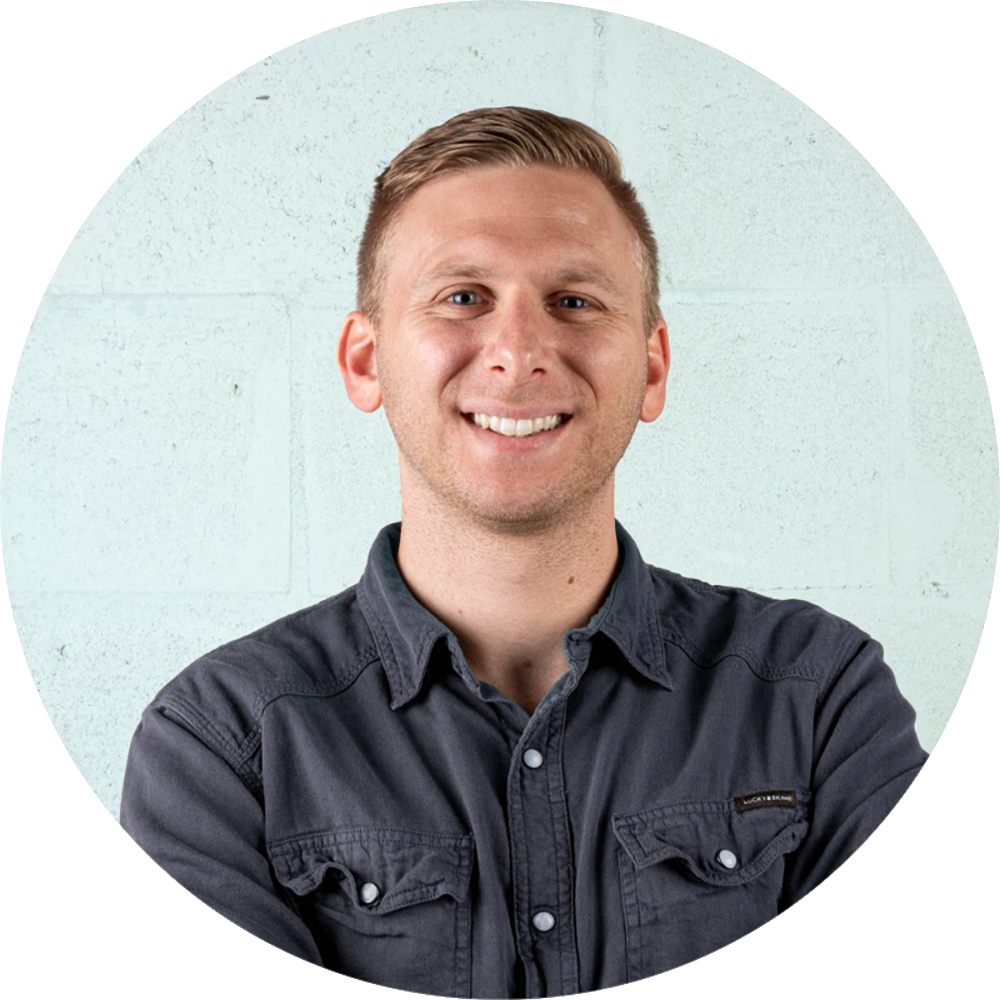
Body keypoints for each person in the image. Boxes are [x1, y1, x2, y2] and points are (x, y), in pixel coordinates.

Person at [120, 106, 929, 998]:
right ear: (366, 361)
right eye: (462, 296)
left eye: (574, 301)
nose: (519, 352)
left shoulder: (819, 702)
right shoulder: (223, 747)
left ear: (652, 367)